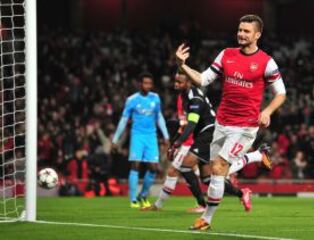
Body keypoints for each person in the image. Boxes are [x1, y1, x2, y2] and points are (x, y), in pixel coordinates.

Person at [175, 14, 287, 230]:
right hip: (222, 122)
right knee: (215, 171)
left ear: (257, 34)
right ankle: (256, 155)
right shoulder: (226, 54)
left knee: (218, 167)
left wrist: (268, 111)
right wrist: (182, 65)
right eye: (240, 30)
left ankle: (206, 220)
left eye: (246, 31)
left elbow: (281, 93)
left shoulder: (266, 62)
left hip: (245, 126)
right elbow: (203, 79)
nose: (241, 34)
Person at [142, 71, 271, 213]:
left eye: (179, 82)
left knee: (185, 166)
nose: (176, 84)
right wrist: (175, 141)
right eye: (176, 81)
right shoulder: (184, 96)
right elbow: (186, 123)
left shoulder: (195, 98)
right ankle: (242, 193)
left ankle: (201, 205)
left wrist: (177, 143)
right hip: (203, 134)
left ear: (189, 82)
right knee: (207, 178)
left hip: (209, 133)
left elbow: (191, 124)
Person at [112, 72, 169, 208]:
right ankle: (133, 199)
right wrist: (115, 139)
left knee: (154, 168)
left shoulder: (155, 98)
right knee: (135, 165)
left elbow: (159, 117)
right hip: (137, 135)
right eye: (145, 83)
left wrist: (166, 136)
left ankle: (143, 195)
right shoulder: (132, 100)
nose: (148, 86)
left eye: (150, 83)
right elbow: (124, 119)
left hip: (151, 136)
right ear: (140, 84)